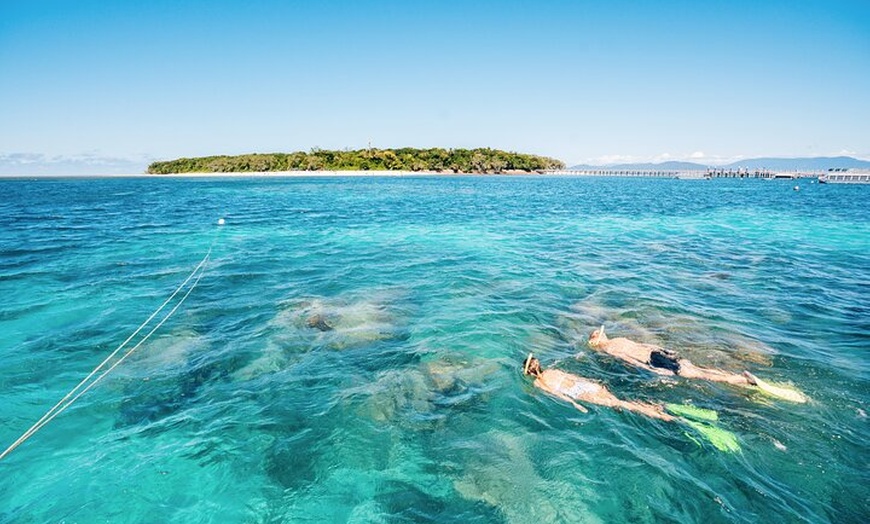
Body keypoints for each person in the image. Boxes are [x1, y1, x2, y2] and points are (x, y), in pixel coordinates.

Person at [587, 325, 757, 386]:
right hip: (653, 358)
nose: (600, 332)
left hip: (654, 355)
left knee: (695, 371)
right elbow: (630, 358)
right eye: (598, 333)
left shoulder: (614, 343)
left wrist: (661, 349)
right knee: (694, 371)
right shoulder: (611, 347)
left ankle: (738, 379)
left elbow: (638, 348)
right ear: (598, 338)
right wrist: (654, 365)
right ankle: (738, 379)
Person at [522, 353, 674, 421]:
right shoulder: (552, 370)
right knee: (618, 400)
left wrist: (575, 404)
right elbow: (574, 378)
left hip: (577, 393)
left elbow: (558, 394)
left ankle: (661, 416)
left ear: (528, 372)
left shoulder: (538, 383)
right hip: (583, 385)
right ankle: (653, 407)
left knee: (621, 404)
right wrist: (593, 383)